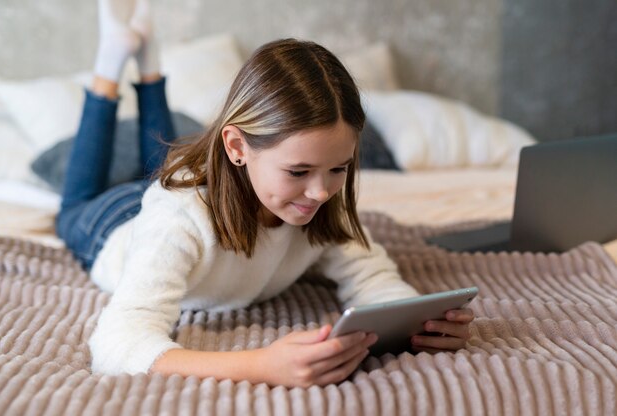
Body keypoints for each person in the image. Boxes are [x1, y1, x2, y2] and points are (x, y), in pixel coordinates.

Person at [56, 0, 475, 388]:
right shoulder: (176, 218)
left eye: (339, 168)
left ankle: (149, 64)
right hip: (114, 225)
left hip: (190, 196)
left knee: (167, 165)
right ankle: (112, 61)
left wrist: (419, 324)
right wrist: (260, 366)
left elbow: (374, 280)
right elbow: (115, 345)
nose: (321, 190)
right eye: (298, 171)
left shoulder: (322, 201)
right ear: (237, 148)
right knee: (75, 203)